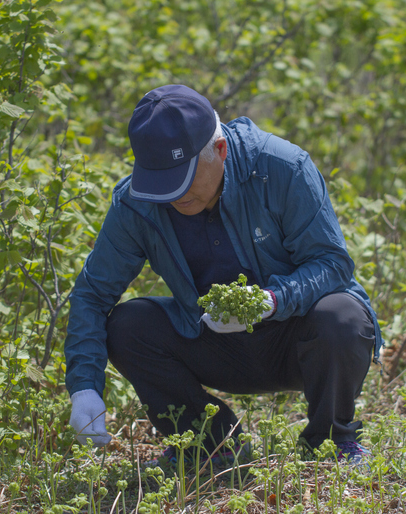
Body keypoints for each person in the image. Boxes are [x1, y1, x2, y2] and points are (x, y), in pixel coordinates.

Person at [65, 84, 384, 463]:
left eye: (182, 181)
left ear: (220, 150)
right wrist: (84, 386)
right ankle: (211, 446)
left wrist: (272, 300)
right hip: (213, 343)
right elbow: (92, 295)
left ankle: (331, 441)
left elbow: (333, 264)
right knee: (126, 325)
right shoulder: (137, 203)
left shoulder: (280, 167)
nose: (171, 197)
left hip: (296, 339)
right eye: (161, 183)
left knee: (342, 316)